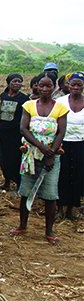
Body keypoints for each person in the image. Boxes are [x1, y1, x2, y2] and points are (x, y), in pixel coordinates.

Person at [9, 72, 68, 244]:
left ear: (54, 87)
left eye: (48, 85)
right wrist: (42, 148)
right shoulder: (28, 105)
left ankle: (49, 231)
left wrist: (51, 154)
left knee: (50, 194)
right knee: (25, 191)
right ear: (36, 86)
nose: (44, 88)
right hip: (30, 155)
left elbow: (61, 132)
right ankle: (22, 226)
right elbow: (23, 129)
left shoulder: (60, 108)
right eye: (41, 85)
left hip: (52, 155)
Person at [56, 72, 84, 220]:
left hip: (81, 144)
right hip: (63, 143)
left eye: (79, 85)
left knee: (77, 176)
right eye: (73, 84)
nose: (76, 87)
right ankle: (59, 208)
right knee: (62, 175)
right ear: (68, 85)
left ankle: (71, 210)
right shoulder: (60, 101)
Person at [0, 73, 28, 190]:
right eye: (15, 81)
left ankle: (19, 184)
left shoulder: (24, 98)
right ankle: (6, 181)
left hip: (16, 133)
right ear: (8, 83)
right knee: (3, 158)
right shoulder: (3, 95)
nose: (17, 84)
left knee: (15, 158)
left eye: (19, 81)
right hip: (3, 132)